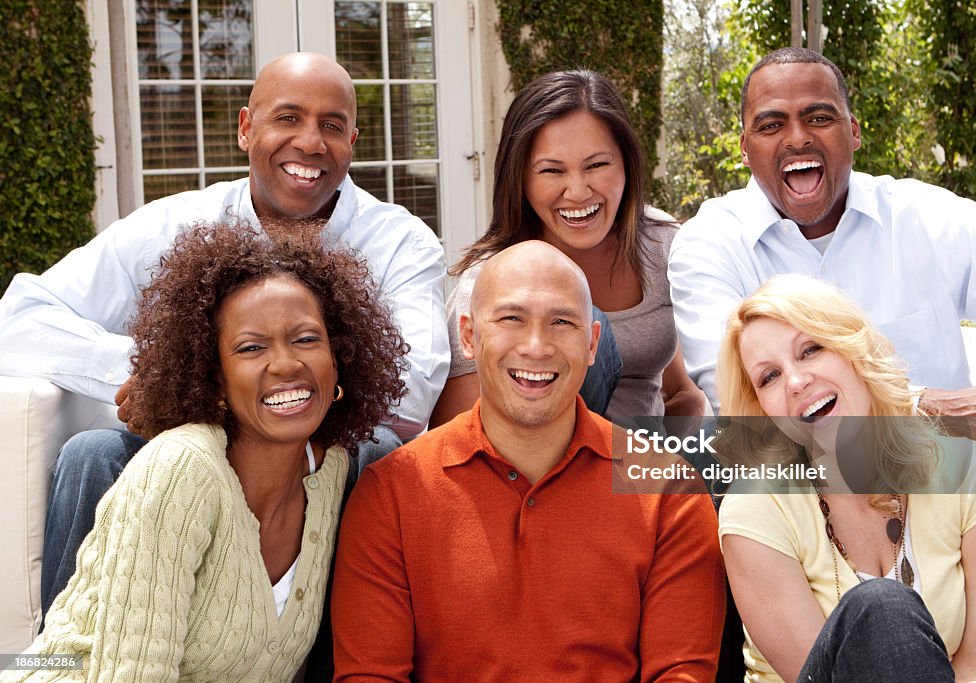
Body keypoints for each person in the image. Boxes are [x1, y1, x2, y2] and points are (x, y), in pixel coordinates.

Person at [0, 51, 449, 615]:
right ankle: (59, 664)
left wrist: (247, 405)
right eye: (288, 118)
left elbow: (406, 397)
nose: (310, 142)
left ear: (352, 141)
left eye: (331, 126)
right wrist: (150, 377)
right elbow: (18, 317)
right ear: (245, 127)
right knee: (92, 454)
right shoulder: (176, 224)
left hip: (318, 449)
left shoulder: (399, 243)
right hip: (189, 446)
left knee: (379, 451)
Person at [0, 221, 407, 681]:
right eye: (251, 347)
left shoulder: (330, 472)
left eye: (307, 339)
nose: (287, 363)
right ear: (213, 377)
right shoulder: (180, 469)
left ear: (340, 357)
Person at [332, 240, 725, 681]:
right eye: (511, 319)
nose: (536, 346)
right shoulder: (392, 493)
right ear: (468, 335)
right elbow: (369, 675)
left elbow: (680, 674)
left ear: (592, 343)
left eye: (562, 322)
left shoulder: (668, 491)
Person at [668, 47, 976, 429]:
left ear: (853, 132)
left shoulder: (925, 215)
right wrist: (921, 405)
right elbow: (742, 408)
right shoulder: (710, 244)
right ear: (744, 149)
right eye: (771, 125)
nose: (797, 138)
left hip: (956, 475)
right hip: (803, 481)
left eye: (819, 117)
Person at [715, 274, 976, 682]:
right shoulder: (754, 509)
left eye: (811, 350)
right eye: (769, 377)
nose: (795, 381)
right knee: (881, 609)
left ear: (855, 350)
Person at [430, 69, 707, 426]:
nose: (577, 192)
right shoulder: (491, 278)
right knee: (582, 319)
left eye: (597, 165)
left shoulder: (661, 244)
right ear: (520, 179)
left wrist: (676, 460)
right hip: (544, 467)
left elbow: (683, 391)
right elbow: (455, 433)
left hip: (639, 464)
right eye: (551, 171)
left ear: (627, 164)